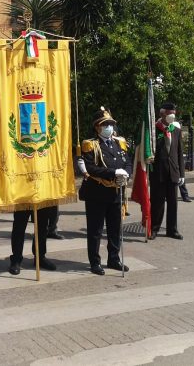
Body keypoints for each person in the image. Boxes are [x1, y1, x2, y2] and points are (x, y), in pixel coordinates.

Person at [78, 107, 132, 275]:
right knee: (95, 230)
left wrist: (126, 173)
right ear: (97, 127)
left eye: (110, 123)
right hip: (97, 193)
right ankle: (95, 261)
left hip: (116, 192)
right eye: (105, 124)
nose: (109, 127)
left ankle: (114, 258)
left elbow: (127, 161)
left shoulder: (119, 143)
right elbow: (90, 168)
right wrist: (113, 173)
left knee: (115, 228)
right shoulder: (90, 145)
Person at [149, 103, 185, 240]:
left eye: (174, 114)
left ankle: (172, 230)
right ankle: (154, 229)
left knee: (173, 203)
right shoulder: (153, 131)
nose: (172, 116)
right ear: (162, 114)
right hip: (158, 172)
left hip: (173, 172)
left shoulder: (175, 130)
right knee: (157, 203)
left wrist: (182, 173)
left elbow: (179, 153)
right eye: (170, 113)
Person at [8, 206, 57, 275]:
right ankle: (16, 259)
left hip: (41, 197)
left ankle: (40, 257)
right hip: (23, 197)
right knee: (19, 225)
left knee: (43, 224)